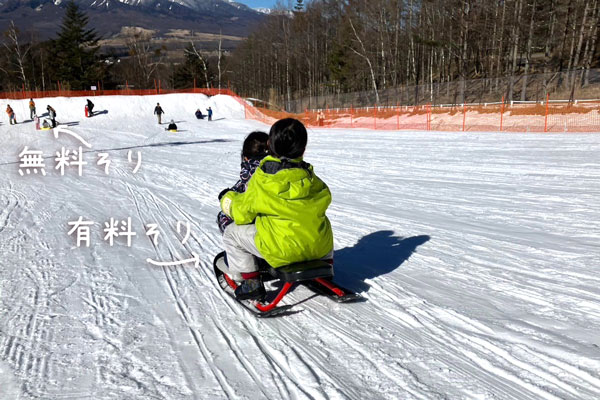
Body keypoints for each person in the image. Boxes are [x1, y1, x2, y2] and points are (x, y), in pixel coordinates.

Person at [218, 118, 333, 300]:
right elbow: (325, 197)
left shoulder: (263, 179)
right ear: (303, 149)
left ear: (270, 145)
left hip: (281, 251)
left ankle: (251, 282)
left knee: (232, 233)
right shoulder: (311, 178)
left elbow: (241, 213)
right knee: (320, 220)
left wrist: (227, 199)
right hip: (319, 249)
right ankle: (327, 264)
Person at [216, 131, 269, 235]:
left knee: (225, 219)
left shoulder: (250, 177)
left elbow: (242, 212)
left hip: (261, 237)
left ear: (245, 157)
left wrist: (226, 198)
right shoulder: (284, 170)